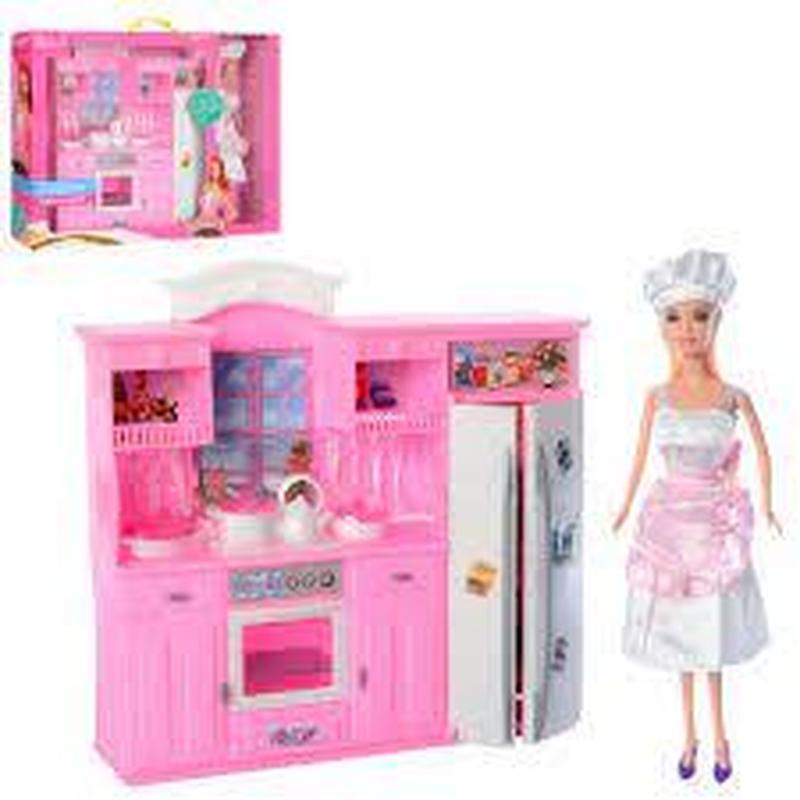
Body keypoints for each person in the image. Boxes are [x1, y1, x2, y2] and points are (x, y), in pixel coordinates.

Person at [613, 249, 780, 784]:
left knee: (710, 640)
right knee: (679, 642)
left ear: (715, 322)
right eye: (674, 317)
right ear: (661, 327)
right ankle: (689, 736)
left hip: (713, 526)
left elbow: (763, 453)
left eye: (699, 316)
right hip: (669, 525)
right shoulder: (656, 397)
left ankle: (722, 736)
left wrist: (768, 504)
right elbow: (639, 460)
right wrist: (623, 507)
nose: (687, 329)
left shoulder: (732, 397)